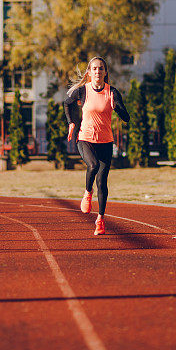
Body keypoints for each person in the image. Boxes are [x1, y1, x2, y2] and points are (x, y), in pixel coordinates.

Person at [64, 57, 130, 235]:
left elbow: (126, 117)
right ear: (89, 72)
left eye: (100, 69)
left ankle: (100, 219)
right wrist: (71, 123)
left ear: (105, 72)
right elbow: (67, 104)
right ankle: (87, 193)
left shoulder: (112, 92)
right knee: (92, 165)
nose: (97, 72)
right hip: (85, 138)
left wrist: (117, 107)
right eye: (94, 69)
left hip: (105, 142)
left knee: (102, 182)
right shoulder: (82, 91)